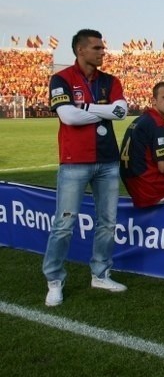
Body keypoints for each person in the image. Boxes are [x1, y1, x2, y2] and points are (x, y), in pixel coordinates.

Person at [43, 28, 129, 306]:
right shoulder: (61, 78)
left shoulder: (110, 80)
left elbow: (121, 112)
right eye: (97, 48)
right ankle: (54, 280)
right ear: (81, 50)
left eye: (102, 48)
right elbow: (68, 117)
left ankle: (100, 273)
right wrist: (101, 110)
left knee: (108, 223)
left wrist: (85, 107)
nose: (103, 52)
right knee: (64, 224)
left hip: (107, 161)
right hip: (74, 162)